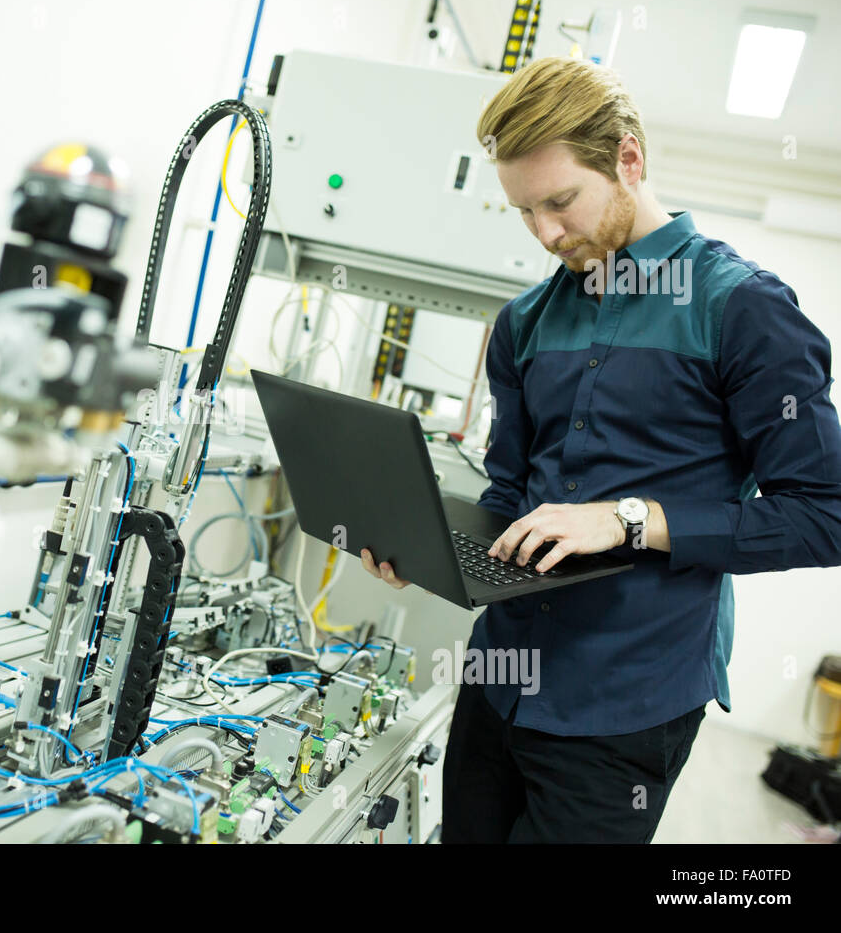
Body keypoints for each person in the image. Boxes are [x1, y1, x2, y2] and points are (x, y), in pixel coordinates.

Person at [359, 56, 841, 842]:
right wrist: (429, 547)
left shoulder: (742, 310)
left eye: (560, 202)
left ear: (628, 159)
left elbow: (825, 516)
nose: (546, 233)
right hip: (500, 678)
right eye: (524, 212)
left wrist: (627, 519)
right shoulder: (524, 323)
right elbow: (508, 492)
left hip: (626, 703)